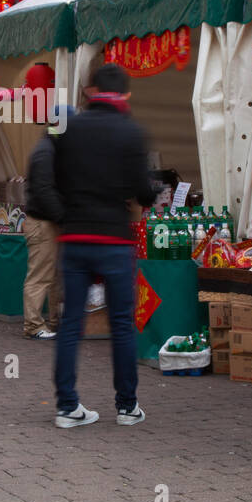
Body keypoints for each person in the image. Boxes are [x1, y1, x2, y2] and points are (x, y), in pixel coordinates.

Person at [46, 63, 156, 429]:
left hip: (75, 237)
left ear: (92, 92)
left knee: (71, 323)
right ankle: (127, 406)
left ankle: (67, 406)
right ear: (125, 94)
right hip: (113, 238)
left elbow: (57, 179)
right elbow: (143, 190)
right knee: (122, 323)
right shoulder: (131, 132)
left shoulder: (69, 129)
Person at [22, 113, 69, 339]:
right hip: (43, 223)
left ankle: (50, 322)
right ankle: (33, 326)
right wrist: (62, 216)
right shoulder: (46, 152)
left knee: (49, 276)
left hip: (46, 222)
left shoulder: (49, 148)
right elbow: (44, 191)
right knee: (40, 277)